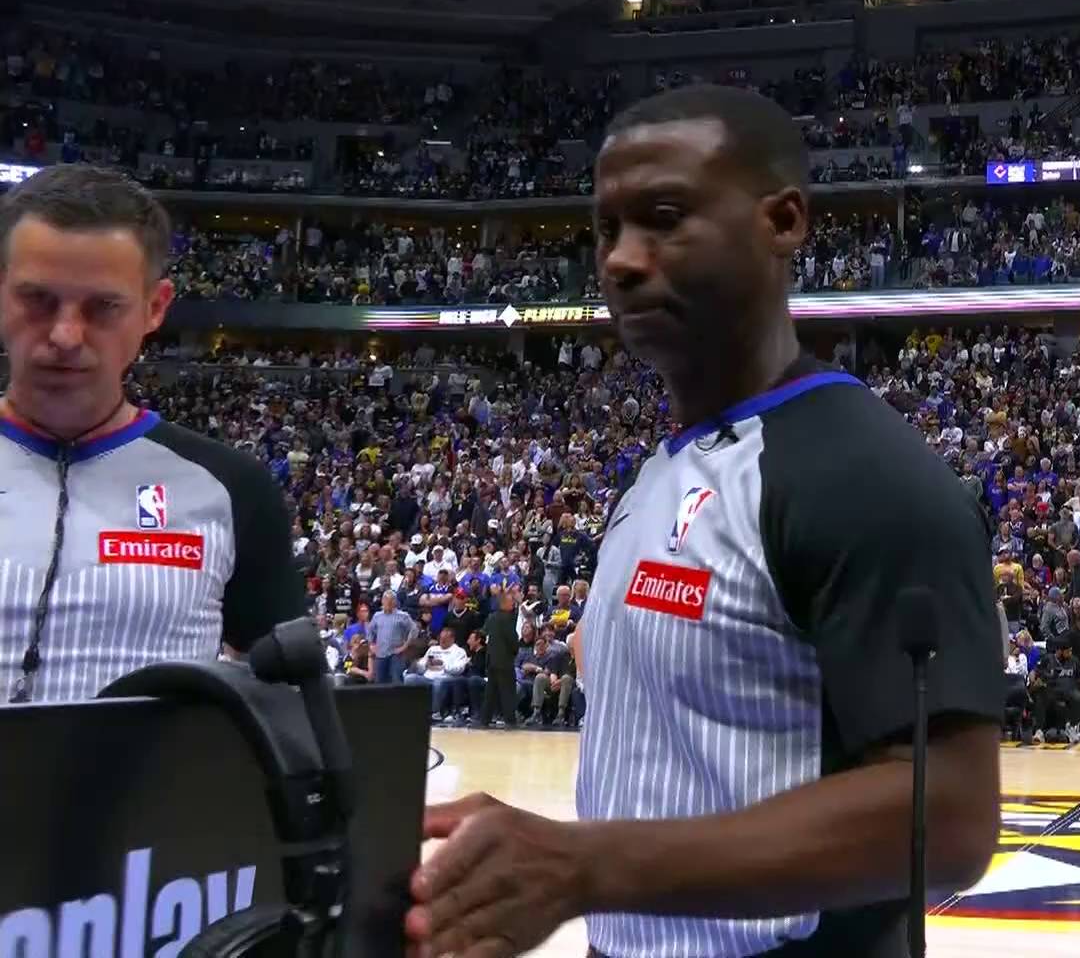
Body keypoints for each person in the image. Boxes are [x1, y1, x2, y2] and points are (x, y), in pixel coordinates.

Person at [407, 85, 1003, 958]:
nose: (621, 260)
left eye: (664, 218)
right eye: (606, 229)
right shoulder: (659, 473)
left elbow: (950, 819)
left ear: (784, 222)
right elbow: (687, 778)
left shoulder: (867, 478)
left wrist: (588, 866)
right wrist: (552, 850)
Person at [0, 164, 304, 703]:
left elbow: (290, 705)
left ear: (154, 308)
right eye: (38, 299)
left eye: (103, 307)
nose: (65, 335)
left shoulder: (233, 489)